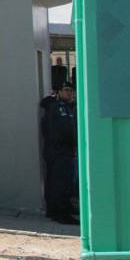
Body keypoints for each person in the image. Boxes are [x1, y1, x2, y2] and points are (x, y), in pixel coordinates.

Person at [43, 82, 79, 225]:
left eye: (71, 91)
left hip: (64, 150)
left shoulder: (67, 108)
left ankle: (60, 209)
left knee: (63, 182)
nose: (69, 93)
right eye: (66, 90)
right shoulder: (57, 107)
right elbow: (62, 130)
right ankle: (60, 212)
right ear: (59, 91)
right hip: (59, 150)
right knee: (60, 182)